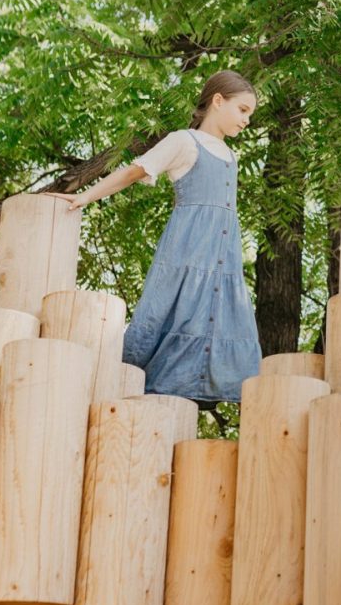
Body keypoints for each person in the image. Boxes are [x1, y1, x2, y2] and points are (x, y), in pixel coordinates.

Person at [53, 70, 262, 406]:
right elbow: (135, 171)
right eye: (243, 110)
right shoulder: (184, 141)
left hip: (222, 256)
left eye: (250, 114)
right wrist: (87, 196)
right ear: (218, 101)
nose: (247, 120)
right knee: (171, 310)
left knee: (215, 316)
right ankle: (121, 384)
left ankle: (195, 390)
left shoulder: (230, 155)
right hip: (189, 248)